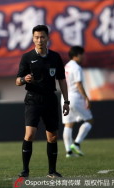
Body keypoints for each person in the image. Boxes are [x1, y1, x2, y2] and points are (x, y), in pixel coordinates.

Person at [16, 25, 70, 178]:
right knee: (30, 133)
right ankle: (25, 170)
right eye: (36, 37)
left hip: (50, 99)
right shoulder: (27, 57)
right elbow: (17, 81)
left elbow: (61, 79)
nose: (39, 40)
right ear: (33, 39)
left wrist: (66, 101)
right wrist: (23, 79)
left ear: (48, 38)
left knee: (52, 136)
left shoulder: (55, 57)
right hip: (33, 98)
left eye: (42, 37)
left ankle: (52, 171)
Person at [62, 46, 93, 158]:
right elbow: (78, 84)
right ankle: (76, 143)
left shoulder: (67, 66)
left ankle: (68, 152)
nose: (83, 56)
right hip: (75, 97)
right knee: (89, 120)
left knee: (68, 124)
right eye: (82, 54)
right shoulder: (76, 67)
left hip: (65, 97)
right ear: (77, 55)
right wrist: (86, 97)